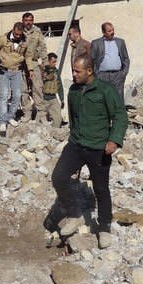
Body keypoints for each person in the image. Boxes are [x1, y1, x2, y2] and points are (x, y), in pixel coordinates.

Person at [45, 55, 127, 249]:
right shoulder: (73, 90)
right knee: (58, 177)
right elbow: (73, 117)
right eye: (73, 70)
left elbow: (120, 116)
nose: (73, 74)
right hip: (76, 144)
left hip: (99, 147)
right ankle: (75, 214)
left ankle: (104, 227)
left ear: (89, 71)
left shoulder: (105, 90)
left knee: (100, 188)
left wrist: (114, 140)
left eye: (77, 71)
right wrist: (73, 136)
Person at [0, 21, 31, 137]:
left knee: (17, 95)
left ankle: (10, 117)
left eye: (20, 35)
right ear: (13, 30)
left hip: (17, 71)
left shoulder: (25, 40)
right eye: (16, 34)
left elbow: (28, 56)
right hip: (4, 71)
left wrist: (31, 70)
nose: (18, 37)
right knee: (4, 96)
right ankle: (3, 122)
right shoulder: (4, 38)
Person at [90, 21, 130, 101]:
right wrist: (97, 74)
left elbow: (126, 58)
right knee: (104, 98)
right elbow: (91, 60)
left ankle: (119, 113)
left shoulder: (120, 42)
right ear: (103, 32)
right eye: (109, 31)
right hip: (102, 76)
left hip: (118, 75)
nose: (112, 32)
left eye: (113, 30)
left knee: (118, 99)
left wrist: (124, 73)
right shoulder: (96, 43)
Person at [22, 12, 48, 118]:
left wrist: (45, 62)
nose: (28, 22)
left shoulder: (37, 31)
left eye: (30, 20)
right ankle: (27, 113)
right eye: (26, 20)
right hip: (21, 64)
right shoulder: (18, 31)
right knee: (23, 89)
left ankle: (41, 114)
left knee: (38, 87)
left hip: (33, 62)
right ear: (23, 21)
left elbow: (42, 47)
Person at [39, 52, 64, 128]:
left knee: (58, 120)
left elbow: (60, 85)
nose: (55, 64)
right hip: (43, 100)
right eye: (53, 62)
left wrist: (62, 99)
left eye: (55, 62)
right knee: (39, 122)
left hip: (53, 99)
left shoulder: (56, 72)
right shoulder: (41, 71)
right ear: (48, 61)